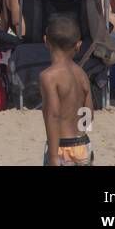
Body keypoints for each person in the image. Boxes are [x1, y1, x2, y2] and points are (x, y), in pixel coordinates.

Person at [40, 14, 93, 166]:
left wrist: (53, 156)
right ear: (78, 45)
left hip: (62, 147)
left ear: (46, 41)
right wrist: (81, 135)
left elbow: (53, 115)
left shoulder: (49, 76)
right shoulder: (82, 74)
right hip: (83, 144)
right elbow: (88, 113)